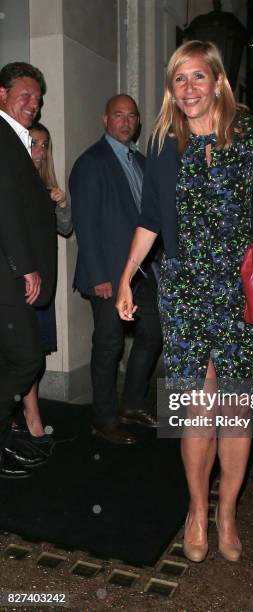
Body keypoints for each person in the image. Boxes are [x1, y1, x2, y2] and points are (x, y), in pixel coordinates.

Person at [115, 41, 253, 562]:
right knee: (198, 410)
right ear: (172, 89)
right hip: (186, 289)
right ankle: (197, 509)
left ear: (218, 81)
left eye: (198, 77)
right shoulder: (165, 144)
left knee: (236, 412)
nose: (189, 89)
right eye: (179, 80)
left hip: (243, 288)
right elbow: (150, 218)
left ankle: (228, 512)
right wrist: (127, 275)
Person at [70, 94, 163, 445]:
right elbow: (85, 225)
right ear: (105, 119)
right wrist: (99, 277)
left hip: (143, 272)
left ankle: (133, 404)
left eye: (132, 116)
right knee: (108, 345)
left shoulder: (140, 161)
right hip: (107, 273)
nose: (126, 122)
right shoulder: (90, 162)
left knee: (153, 332)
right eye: (119, 115)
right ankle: (103, 418)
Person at [0, 62, 57, 478]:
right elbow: (5, 208)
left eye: (37, 98)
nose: (34, 104)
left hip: (11, 273)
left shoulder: (17, 141)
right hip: (8, 276)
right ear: (1, 94)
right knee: (27, 360)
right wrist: (25, 268)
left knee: (14, 361)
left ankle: (5, 439)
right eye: (25, 94)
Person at [12, 123, 72, 445]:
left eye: (45, 145)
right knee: (25, 354)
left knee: (34, 353)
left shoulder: (44, 186)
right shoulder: (13, 183)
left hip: (41, 283)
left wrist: (61, 205)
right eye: (34, 143)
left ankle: (28, 417)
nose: (40, 151)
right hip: (16, 283)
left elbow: (65, 229)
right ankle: (29, 419)